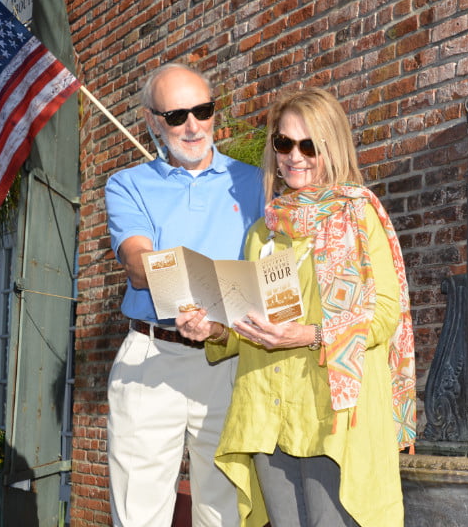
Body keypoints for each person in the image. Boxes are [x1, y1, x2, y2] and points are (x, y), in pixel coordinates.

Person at [177, 88, 417, 527]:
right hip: (268, 413)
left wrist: (309, 335)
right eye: (284, 143)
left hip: (335, 412)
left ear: (332, 147)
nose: (294, 156)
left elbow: (385, 313)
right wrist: (212, 329)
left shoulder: (359, 218)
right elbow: (246, 321)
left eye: (309, 145)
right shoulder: (262, 233)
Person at [104, 63, 265, 527]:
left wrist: (216, 323)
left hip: (228, 362)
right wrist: (185, 304)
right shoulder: (128, 184)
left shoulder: (255, 183)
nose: (192, 126)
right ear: (153, 121)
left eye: (203, 110)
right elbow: (137, 263)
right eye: (176, 116)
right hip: (152, 359)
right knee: (139, 515)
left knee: (224, 514)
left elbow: (268, 269)